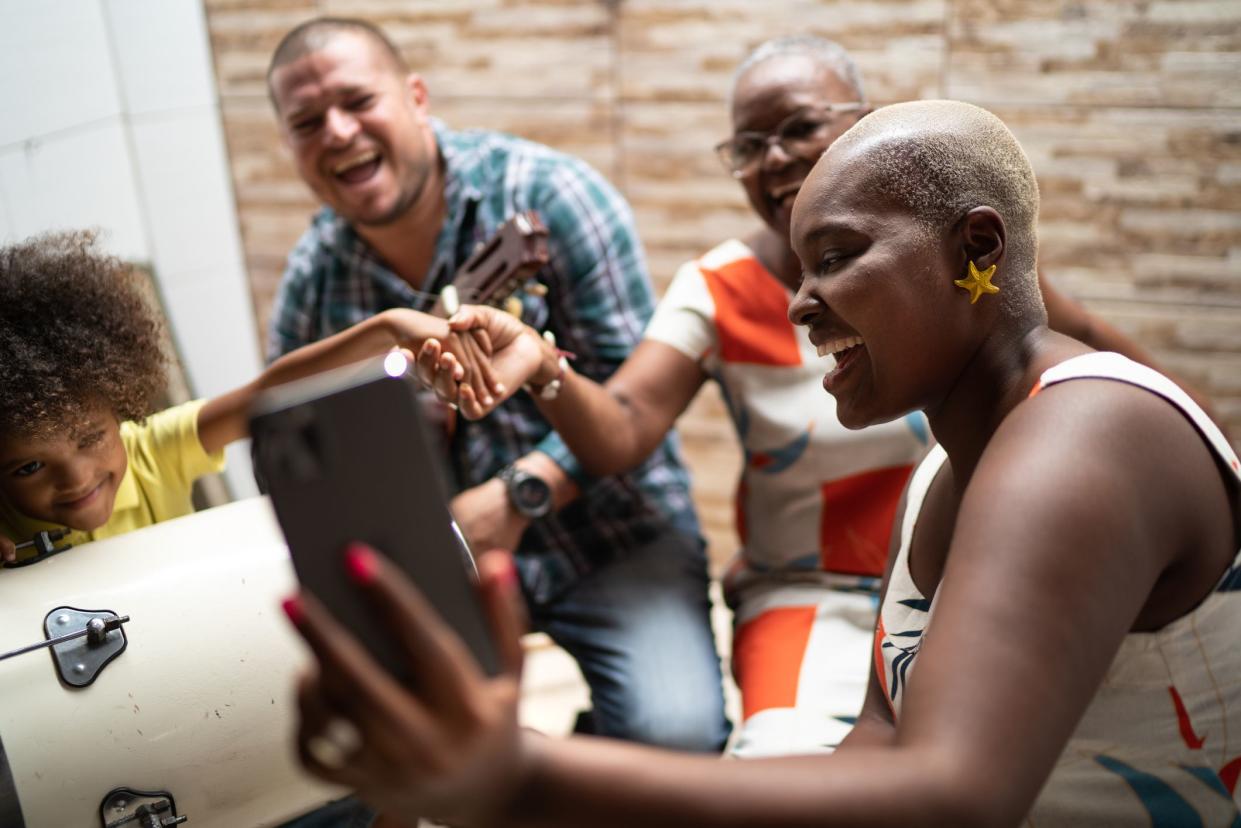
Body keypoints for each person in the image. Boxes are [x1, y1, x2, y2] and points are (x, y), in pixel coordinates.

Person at [281, 99, 1241, 826]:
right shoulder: (938, 477)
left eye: (836, 257)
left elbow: (953, 795)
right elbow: (877, 741)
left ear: (974, 249)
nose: (798, 304)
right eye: (798, 265)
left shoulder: (1083, 439)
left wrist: (526, 775)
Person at [428, 34, 1215, 759]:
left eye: (798, 128)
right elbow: (626, 425)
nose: (772, 159)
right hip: (814, 597)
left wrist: (1198, 462)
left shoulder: (976, 292)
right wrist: (544, 368)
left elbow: (1108, 375)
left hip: (959, 575)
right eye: (747, 145)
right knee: (785, 757)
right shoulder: (718, 288)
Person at [264, 16, 729, 756]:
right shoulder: (312, 281)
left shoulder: (552, 194)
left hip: (612, 531)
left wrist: (518, 493)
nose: (339, 131)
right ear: (289, 147)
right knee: (395, 749)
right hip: (442, 564)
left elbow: (635, 402)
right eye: (307, 121)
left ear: (415, 96)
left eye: (359, 100)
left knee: (674, 736)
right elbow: (304, 453)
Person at [0, 229, 496, 565]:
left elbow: (266, 394)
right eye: (29, 468)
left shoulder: (150, 455)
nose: (77, 478)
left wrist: (390, 328)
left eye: (91, 438)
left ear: (118, 403)